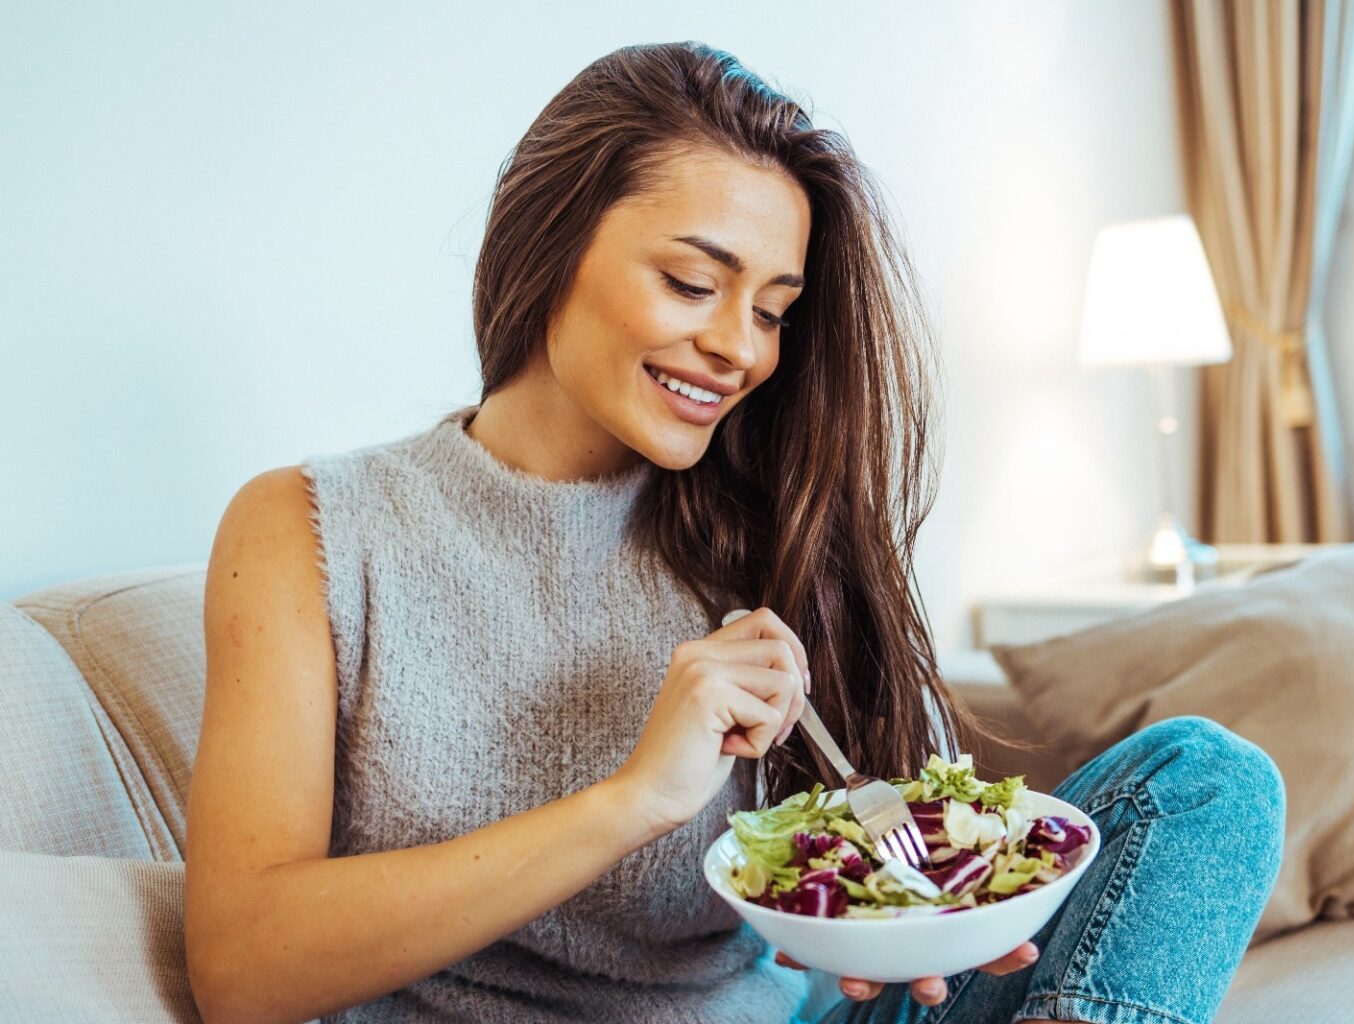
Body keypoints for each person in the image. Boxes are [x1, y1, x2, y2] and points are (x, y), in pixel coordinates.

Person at [182, 41, 1285, 1024]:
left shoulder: (763, 526)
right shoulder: (314, 532)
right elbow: (241, 969)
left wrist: (917, 911)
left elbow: (869, 842)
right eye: (691, 281)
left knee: (1204, 780)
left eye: (771, 310)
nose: (738, 350)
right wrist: (633, 800)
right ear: (549, 240)